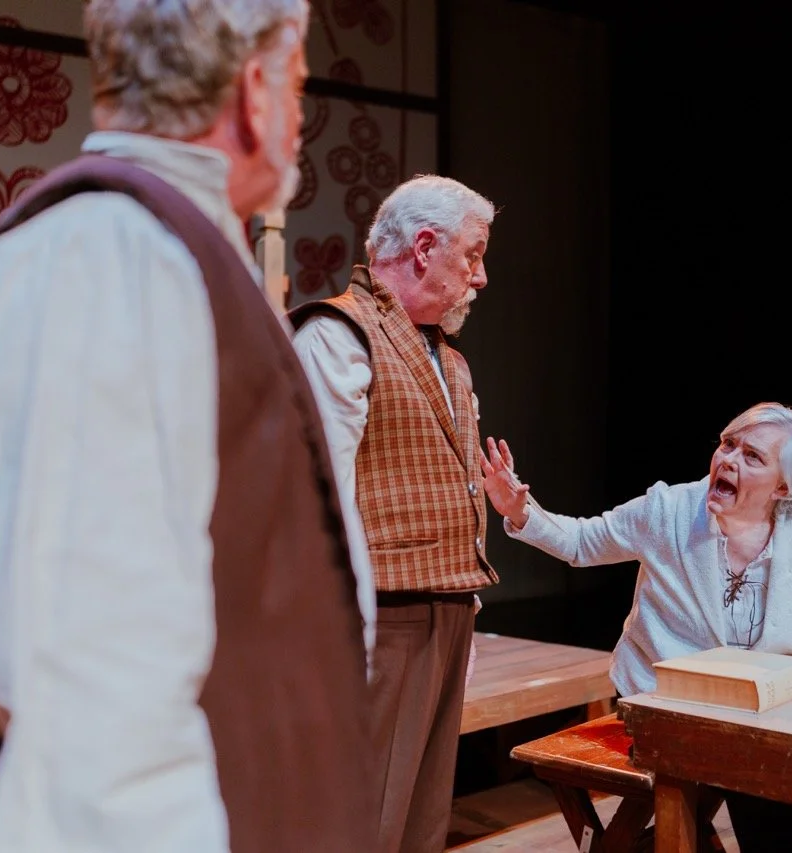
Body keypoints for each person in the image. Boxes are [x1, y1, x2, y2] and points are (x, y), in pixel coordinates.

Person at [0, 2, 376, 852]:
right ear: (255, 92)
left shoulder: (158, 244)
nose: (299, 113)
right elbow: (93, 677)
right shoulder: (107, 252)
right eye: (297, 83)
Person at [481, 401, 792, 853]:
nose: (728, 459)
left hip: (767, 706)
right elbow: (582, 541)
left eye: (752, 456)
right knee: (766, 773)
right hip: (664, 703)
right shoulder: (669, 512)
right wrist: (520, 512)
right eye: (727, 444)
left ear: (783, 486)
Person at [289, 174, 498, 853]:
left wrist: (466, 599)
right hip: (380, 612)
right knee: (366, 817)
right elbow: (320, 494)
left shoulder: (448, 357)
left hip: (444, 604)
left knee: (421, 815)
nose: (481, 276)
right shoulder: (340, 332)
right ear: (424, 246)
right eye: (473, 255)